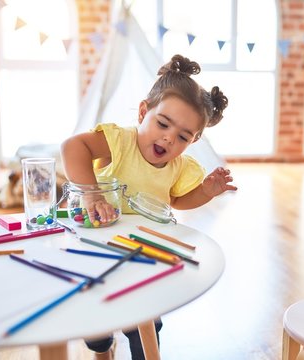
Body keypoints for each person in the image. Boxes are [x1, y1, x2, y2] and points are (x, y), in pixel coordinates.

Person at [60, 54, 237, 360]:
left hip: (144, 256)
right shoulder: (119, 142)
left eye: (183, 136)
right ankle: (103, 351)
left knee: (145, 329)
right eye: (163, 123)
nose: (169, 138)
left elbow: (178, 200)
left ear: (194, 141)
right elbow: (72, 147)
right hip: (97, 248)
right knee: (96, 332)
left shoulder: (180, 167)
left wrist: (207, 191)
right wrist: (91, 194)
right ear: (143, 112)